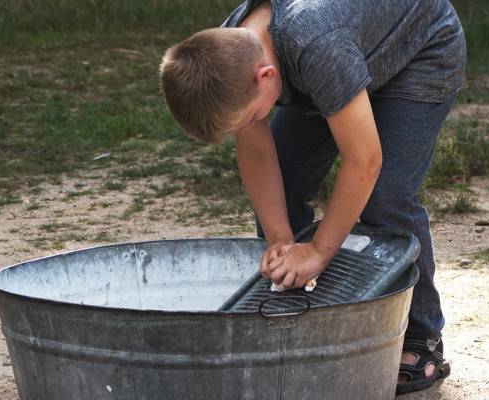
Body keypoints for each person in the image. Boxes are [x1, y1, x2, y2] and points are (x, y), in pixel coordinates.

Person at [159, 0, 466, 394]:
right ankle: (297, 314)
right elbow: (256, 151)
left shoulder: (316, 44)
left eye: (253, 116)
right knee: (283, 180)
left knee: (385, 197)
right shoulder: (228, 57)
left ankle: (420, 335)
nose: (254, 122)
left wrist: (320, 250)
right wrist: (279, 240)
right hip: (338, 60)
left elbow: (364, 159)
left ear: (266, 74)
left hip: (419, 50)